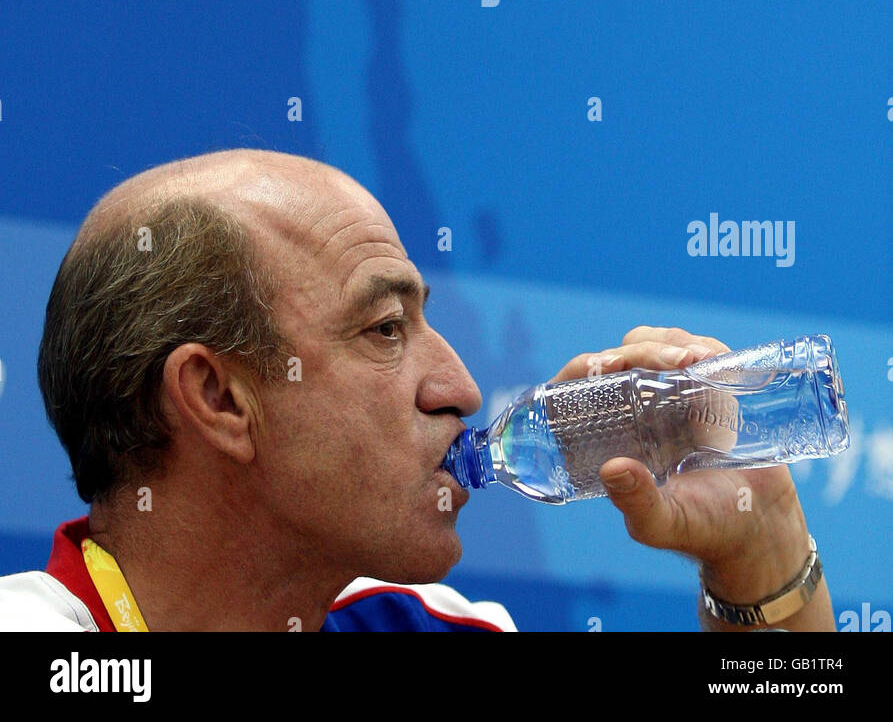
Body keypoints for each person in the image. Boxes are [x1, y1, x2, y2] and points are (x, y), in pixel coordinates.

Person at [0, 150, 835, 632]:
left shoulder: (431, 627)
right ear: (218, 398)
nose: (462, 389)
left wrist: (755, 550)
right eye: (384, 330)